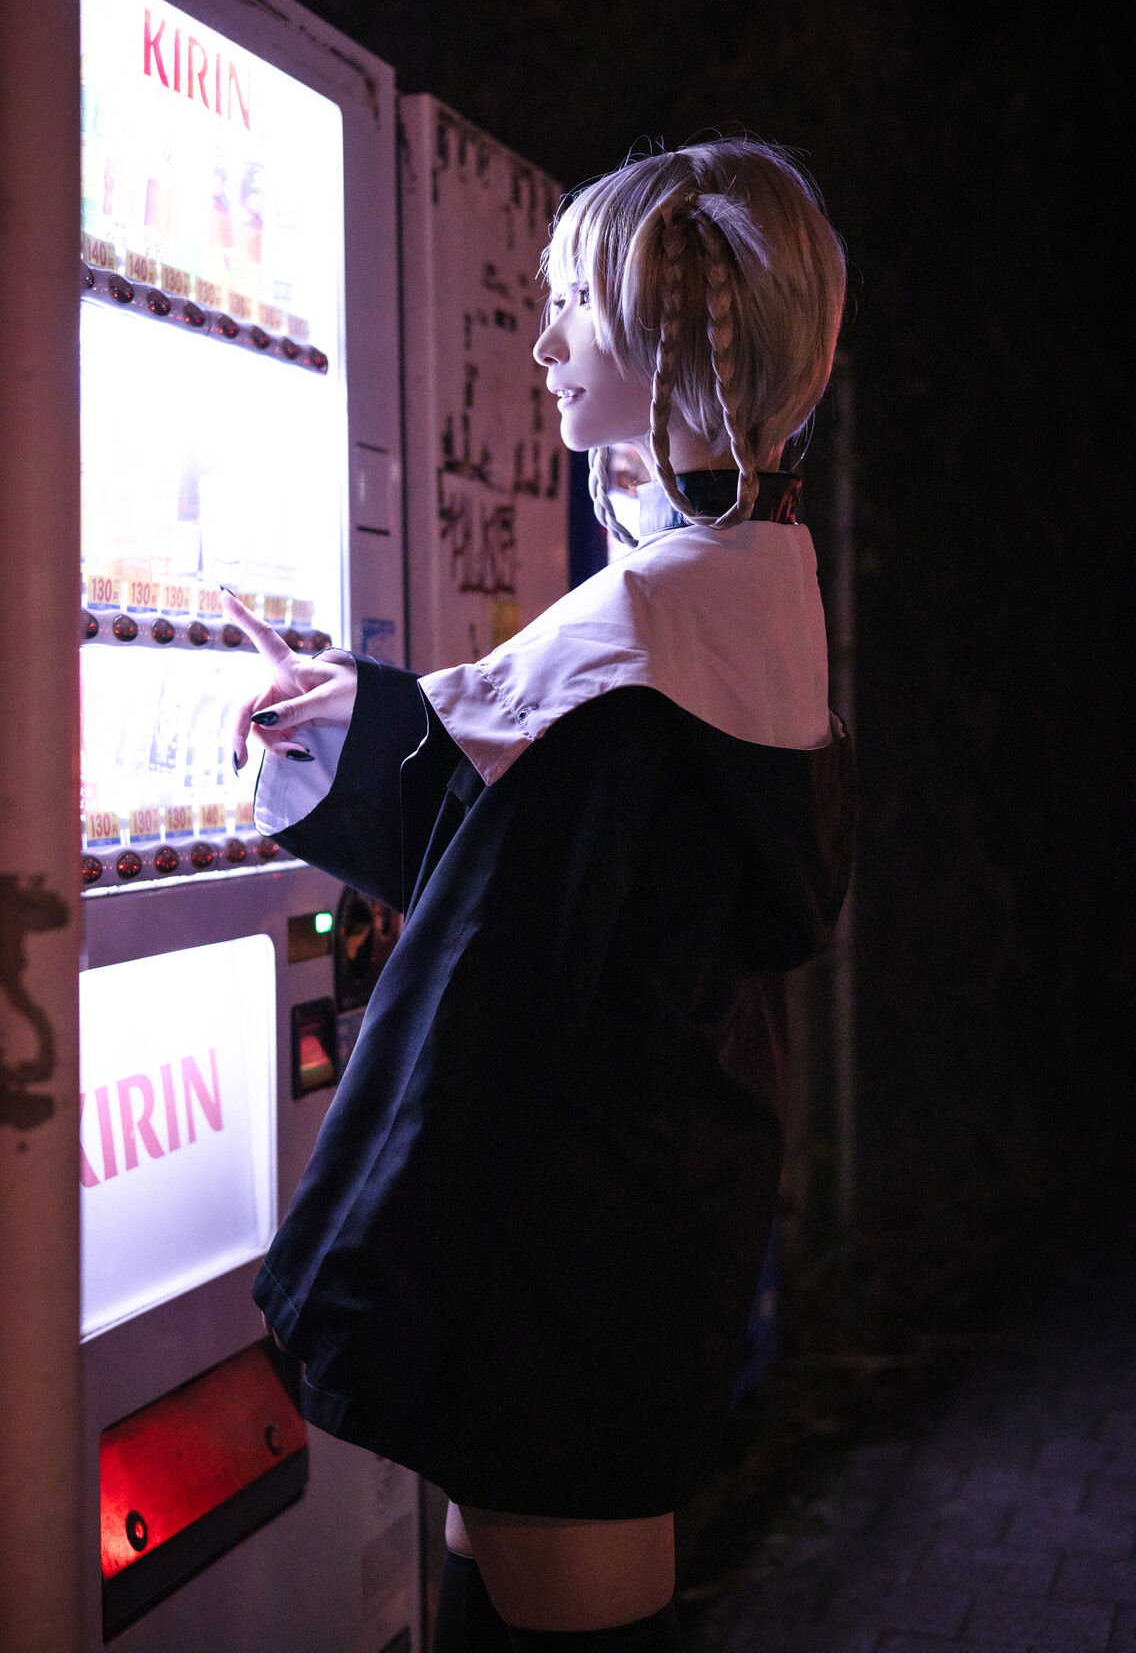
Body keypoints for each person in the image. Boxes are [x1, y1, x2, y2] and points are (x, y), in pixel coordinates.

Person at [228, 137, 854, 1653]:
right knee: (526, 1559)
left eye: (574, 303)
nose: (544, 340)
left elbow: (492, 954)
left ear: (675, 337)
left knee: (561, 1587)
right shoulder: (753, 578)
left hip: (570, 1235)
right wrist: (357, 723)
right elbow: (554, 846)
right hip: (648, 1204)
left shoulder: (644, 625)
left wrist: (358, 1271)